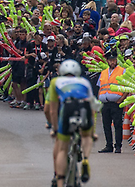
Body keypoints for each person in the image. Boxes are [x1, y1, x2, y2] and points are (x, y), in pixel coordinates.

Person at [47, 59, 95, 187]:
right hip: (84, 108)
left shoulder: (56, 82)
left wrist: (55, 129)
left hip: (67, 109)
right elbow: (92, 107)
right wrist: (92, 132)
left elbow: (51, 110)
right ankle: (85, 159)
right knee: (86, 136)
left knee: (62, 148)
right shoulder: (84, 82)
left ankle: (60, 181)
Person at [97, 50, 126, 153]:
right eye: (110, 60)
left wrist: (122, 99)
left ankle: (118, 146)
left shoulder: (122, 71)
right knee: (106, 125)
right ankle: (109, 145)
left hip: (116, 102)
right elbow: (100, 87)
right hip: (105, 103)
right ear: (107, 61)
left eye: (114, 60)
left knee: (118, 125)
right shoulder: (103, 72)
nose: (112, 62)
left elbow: (128, 87)